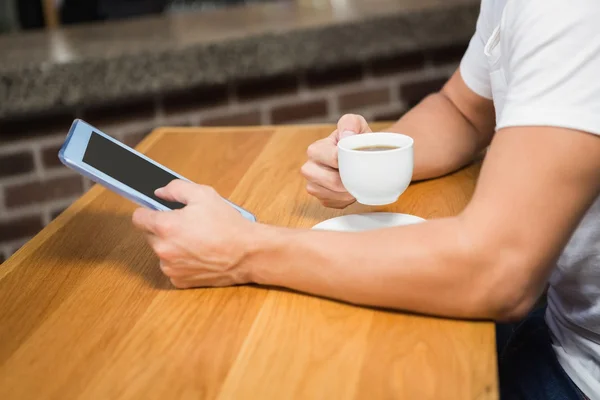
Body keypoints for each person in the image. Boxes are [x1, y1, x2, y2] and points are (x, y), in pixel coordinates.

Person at [131, 0, 600, 398]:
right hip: (561, 318)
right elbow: (463, 110)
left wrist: (241, 251)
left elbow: (499, 270)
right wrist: (374, 160)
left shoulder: (568, 12)